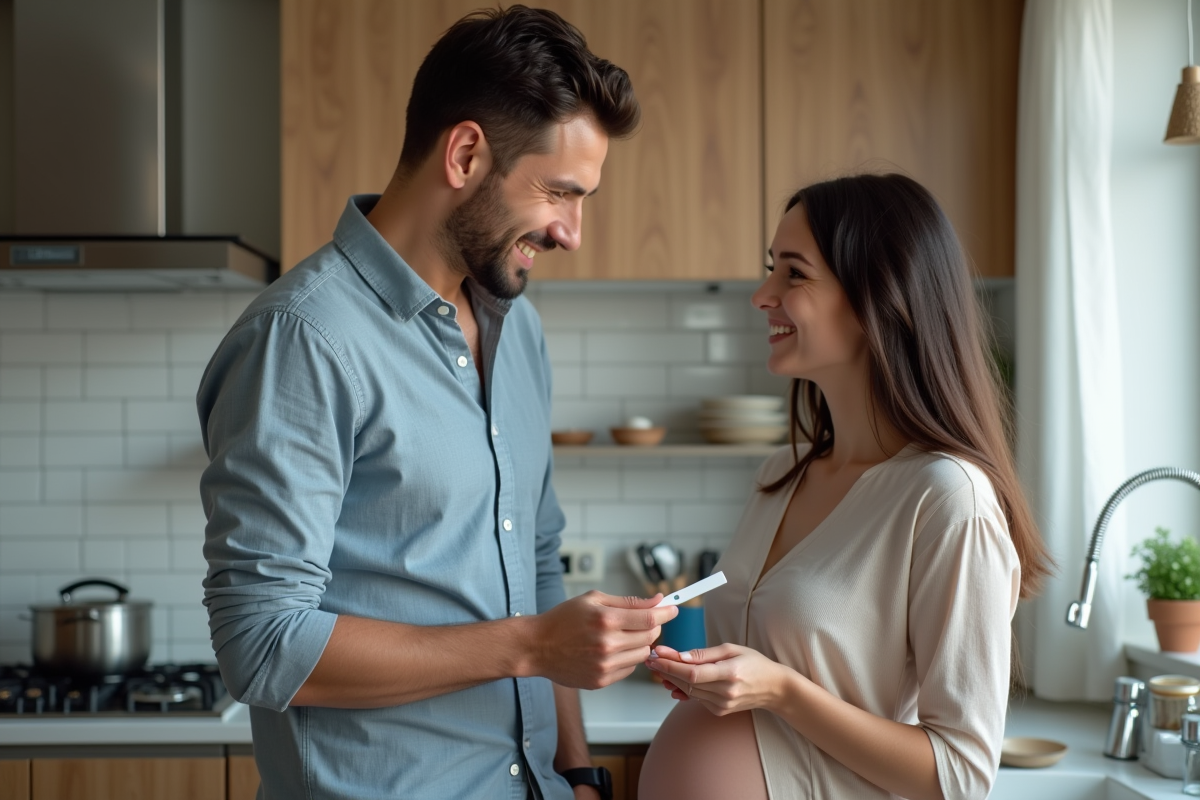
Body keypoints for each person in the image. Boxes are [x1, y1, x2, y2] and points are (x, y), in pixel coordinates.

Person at [196, 7, 676, 799]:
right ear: (464, 155)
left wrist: (578, 771)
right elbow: (263, 644)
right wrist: (529, 647)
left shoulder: (518, 331)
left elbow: (536, 559)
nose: (572, 232)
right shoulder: (303, 340)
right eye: (560, 191)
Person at [638, 173, 1053, 800]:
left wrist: (779, 688)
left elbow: (960, 776)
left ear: (875, 298)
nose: (761, 295)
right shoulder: (781, 474)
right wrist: (709, 677)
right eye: (770, 268)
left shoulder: (946, 497)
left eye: (793, 273)